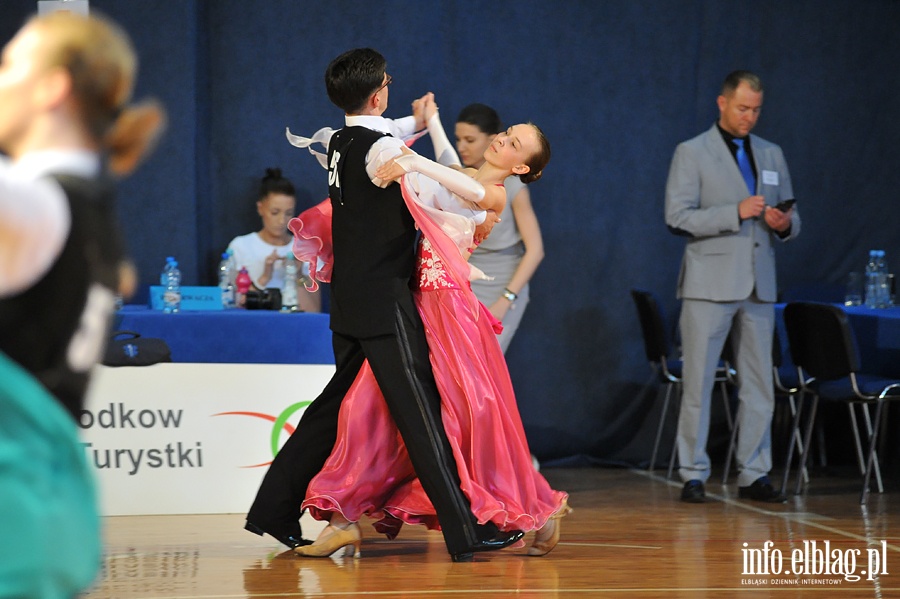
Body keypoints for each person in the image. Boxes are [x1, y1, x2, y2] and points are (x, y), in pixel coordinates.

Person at [244, 48, 523, 562]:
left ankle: (272, 510)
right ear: (378, 94)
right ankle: (466, 532)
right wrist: (421, 145)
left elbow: (375, 130)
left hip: (348, 302)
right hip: (384, 305)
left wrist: (418, 119)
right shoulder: (383, 152)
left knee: (329, 412)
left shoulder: (339, 140)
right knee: (422, 416)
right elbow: (434, 179)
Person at [289, 97, 568, 559]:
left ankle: (535, 508)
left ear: (520, 167)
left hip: (451, 315)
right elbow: (451, 167)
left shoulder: (495, 194)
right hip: (418, 305)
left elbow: (450, 177)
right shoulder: (470, 176)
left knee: (473, 419)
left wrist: (407, 157)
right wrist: (432, 121)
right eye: (508, 131)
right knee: (367, 403)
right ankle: (342, 519)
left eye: (513, 141)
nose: (502, 138)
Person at [0, 10, 165, 597]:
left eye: (8, 64)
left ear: (52, 86)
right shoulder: (85, 209)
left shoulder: (30, 204)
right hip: (45, 513)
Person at [664, 70, 800, 504]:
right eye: (743, 108)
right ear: (722, 104)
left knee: (760, 385)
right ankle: (693, 473)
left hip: (758, 285)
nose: (750, 117)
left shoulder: (771, 153)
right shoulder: (692, 152)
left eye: (757, 110)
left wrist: (784, 224)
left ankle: (754, 472)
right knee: (699, 383)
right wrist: (734, 211)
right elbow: (678, 217)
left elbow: (793, 218)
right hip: (709, 283)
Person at [455, 103, 545, 353]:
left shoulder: (510, 189)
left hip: (501, 287)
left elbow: (536, 250)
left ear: (490, 138)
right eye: (459, 139)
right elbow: (446, 165)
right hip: (463, 285)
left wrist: (506, 299)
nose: (462, 146)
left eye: (470, 140)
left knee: (480, 368)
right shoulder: (466, 176)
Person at [226, 167, 320, 312]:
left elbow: (314, 312)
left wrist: (298, 274)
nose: (282, 220)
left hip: (294, 327)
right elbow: (233, 305)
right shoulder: (241, 246)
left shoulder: (305, 249)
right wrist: (264, 277)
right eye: (275, 213)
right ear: (260, 208)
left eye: (288, 213)